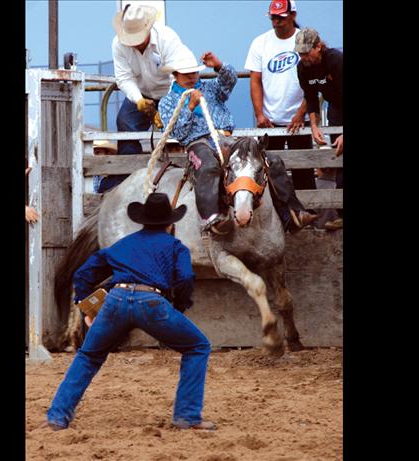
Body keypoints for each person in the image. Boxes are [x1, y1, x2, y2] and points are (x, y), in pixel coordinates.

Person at [42, 193, 215, 432]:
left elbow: (82, 274)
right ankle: (187, 416)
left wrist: (88, 308)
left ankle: (57, 417)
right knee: (198, 346)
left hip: (116, 300)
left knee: (88, 356)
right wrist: (179, 307)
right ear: (170, 223)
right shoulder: (176, 246)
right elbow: (185, 278)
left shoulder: (122, 244)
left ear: (142, 220)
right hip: (152, 302)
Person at [158, 46, 317, 235]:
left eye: (194, 72)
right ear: (176, 75)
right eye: (186, 74)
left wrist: (218, 66)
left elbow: (229, 81)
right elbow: (178, 132)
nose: (192, 76)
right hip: (197, 142)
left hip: (227, 139)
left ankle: (291, 213)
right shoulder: (167, 102)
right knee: (208, 165)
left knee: (270, 160)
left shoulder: (209, 89)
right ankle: (211, 217)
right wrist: (190, 107)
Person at [95, 4, 185, 193]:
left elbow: (177, 75)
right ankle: (128, 177)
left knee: (181, 125)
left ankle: (184, 169)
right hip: (142, 92)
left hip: (173, 92)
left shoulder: (167, 39)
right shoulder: (118, 43)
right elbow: (124, 78)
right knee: (125, 120)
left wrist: (167, 105)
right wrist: (139, 100)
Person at [244, 0, 316, 192]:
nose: (276, 21)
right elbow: (255, 80)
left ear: (293, 16)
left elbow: (314, 80)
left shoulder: (304, 40)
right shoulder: (260, 42)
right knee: (268, 173)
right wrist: (259, 114)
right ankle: (277, 218)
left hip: (300, 120)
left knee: (304, 172)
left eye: (281, 17)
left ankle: (307, 215)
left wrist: (301, 113)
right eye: (273, 17)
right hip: (270, 121)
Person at [295, 27, 343, 230]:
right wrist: (314, 126)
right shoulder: (303, 68)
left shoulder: (335, 60)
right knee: (339, 156)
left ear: (319, 47)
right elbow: (311, 98)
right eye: (300, 53)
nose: (303, 57)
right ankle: (341, 214)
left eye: (306, 52)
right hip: (336, 108)